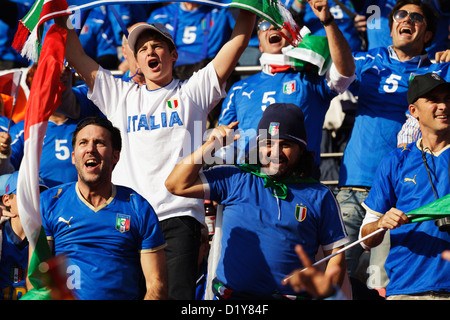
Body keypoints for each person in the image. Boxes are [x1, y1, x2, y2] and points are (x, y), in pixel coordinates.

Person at [56, 8, 256, 300]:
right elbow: (76, 55)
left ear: (173, 54)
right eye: (143, 48)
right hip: (128, 216)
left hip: (177, 216)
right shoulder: (120, 95)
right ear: (136, 61)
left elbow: (236, 43)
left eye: (158, 45)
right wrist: (59, 13)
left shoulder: (192, 93)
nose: (151, 51)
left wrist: (249, 12)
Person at [165, 103, 349, 299]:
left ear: (301, 149)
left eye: (285, 144)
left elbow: (336, 255)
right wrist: (211, 146)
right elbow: (175, 184)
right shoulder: (235, 178)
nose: (275, 152)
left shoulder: (320, 195)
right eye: (268, 143)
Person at [336, 0, 450, 281]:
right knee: (335, 281)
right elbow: (337, 79)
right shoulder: (366, 60)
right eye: (401, 14)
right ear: (391, 26)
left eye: (416, 17)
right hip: (356, 185)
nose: (406, 19)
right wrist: (328, 22)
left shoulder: (440, 72)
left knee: (386, 284)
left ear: (427, 35)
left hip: (404, 196)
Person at [218, 0, 355, 179]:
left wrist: (327, 21)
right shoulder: (239, 88)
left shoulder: (310, 79)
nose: (272, 28)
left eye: (280, 24)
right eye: (265, 24)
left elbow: (345, 74)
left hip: (300, 180)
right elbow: (223, 141)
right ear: (259, 43)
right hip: (249, 181)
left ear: (294, 35)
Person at [38, 117, 167, 300]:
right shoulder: (49, 203)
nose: (90, 149)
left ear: (115, 156)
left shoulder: (138, 208)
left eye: (99, 143)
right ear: (73, 157)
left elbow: (157, 285)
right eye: (83, 143)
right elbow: (37, 278)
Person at [360, 73, 450, 300]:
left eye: (448, 99)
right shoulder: (395, 160)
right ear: (413, 111)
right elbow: (365, 239)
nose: (443, 106)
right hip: (407, 289)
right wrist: (382, 223)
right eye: (433, 99)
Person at [147, 2, 235, 80]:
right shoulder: (160, 15)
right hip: (171, 75)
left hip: (209, 75)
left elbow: (244, 38)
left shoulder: (221, 11)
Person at [0, 171, 47, 300]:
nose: (34, 200)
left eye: (40, 194)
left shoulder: (46, 239)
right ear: (6, 200)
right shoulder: (1, 234)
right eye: (26, 193)